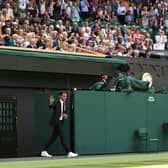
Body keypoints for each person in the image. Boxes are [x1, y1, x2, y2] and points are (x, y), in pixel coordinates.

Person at [41, 92, 78, 158]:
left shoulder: (64, 104)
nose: (65, 97)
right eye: (64, 96)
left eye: (66, 96)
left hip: (61, 122)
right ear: (60, 96)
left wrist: (65, 115)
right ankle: (69, 152)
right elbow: (51, 106)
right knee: (62, 136)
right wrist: (51, 102)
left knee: (53, 138)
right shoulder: (56, 102)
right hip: (56, 122)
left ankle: (44, 151)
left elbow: (65, 112)